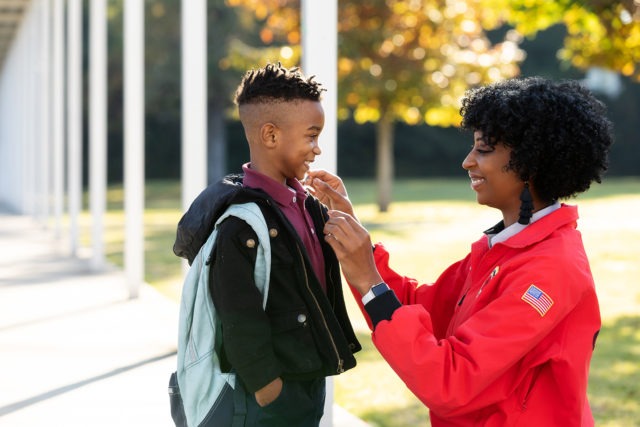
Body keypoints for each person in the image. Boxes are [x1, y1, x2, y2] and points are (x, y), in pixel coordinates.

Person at [306, 77, 613, 426]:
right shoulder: (506, 247)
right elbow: (421, 308)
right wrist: (359, 247)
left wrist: (367, 277)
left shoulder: (551, 268)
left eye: (483, 150)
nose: (467, 162)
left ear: (531, 162)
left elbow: (450, 381)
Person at [173, 63, 360, 426]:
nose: (317, 149)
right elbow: (238, 313)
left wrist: (341, 213)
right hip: (266, 396)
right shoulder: (240, 223)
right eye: (311, 136)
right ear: (270, 135)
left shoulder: (308, 206)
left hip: (308, 380)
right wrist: (266, 385)